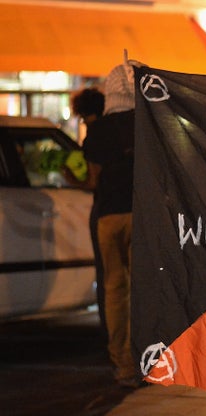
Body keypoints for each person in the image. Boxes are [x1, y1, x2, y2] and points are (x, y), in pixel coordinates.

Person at [80, 64, 137, 387]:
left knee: (115, 288)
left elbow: (93, 180)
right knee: (142, 288)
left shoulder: (98, 131)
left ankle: (122, 362)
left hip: (108, 216)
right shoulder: (147, 124)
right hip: (141, 215)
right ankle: (142, 356)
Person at [66, 88, 107, 334]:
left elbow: (93, 181)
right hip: (129, 209)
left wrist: (70, 177)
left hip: (105, 210)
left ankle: (109, 331)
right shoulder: (120, 131)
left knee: (108, 276)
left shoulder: (93, 138)